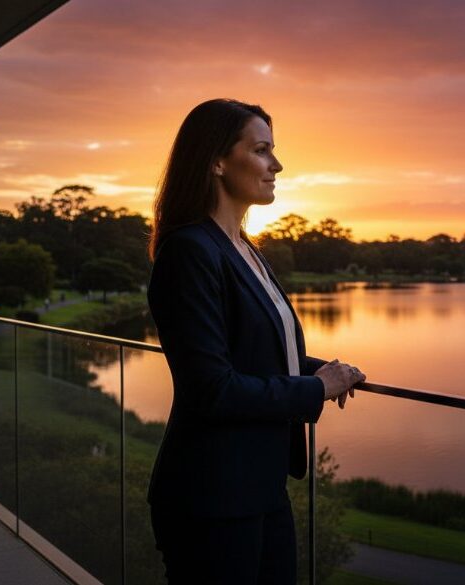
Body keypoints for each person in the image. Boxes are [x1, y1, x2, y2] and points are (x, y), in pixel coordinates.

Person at [146, 98, 366, 584]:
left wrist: (323, 370)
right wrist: (316, 390)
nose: (277, 165)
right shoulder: (190, 251)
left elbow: (253, 351)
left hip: (260, 486)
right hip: (212, 496)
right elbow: (212, 388)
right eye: (262, 150)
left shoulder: (243, 247)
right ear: (218, 161)